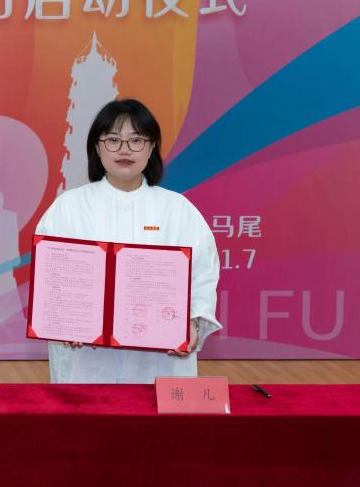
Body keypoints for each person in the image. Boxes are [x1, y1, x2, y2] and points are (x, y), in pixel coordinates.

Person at [35, 98, 221, 383]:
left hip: (159, 360)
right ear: (97, 147)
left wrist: (192, 322)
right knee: (84, 409)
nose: (125, 149)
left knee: (153, 411)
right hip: (86, 360)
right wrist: (64, 320)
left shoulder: (178, 209)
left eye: (136, 140)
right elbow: (51, 276)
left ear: (152, 147)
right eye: (113, 140)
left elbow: (203, 274)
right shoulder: (68, 207)